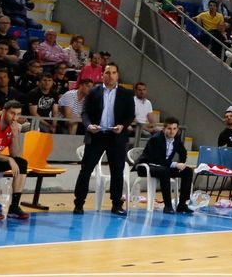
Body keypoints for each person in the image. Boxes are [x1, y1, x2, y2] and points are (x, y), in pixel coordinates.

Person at [72, 63, 136, 215]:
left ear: (117, 75)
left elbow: (130, 115)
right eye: (107, 73)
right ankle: (79, 203)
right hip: (97, 135)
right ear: (102, 75)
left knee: (117, 172)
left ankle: (116, 204)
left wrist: (123, 125)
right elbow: (85, 113)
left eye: (114, 72)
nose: (111, 76)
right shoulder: (93, 92)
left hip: (116, 136)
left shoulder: (126, 93)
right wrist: (89, 127)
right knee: (85, 170)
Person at [135, 118, 195, 214]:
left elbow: (183, 152)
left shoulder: (177, 138)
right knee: (164, 171)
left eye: (174, 128)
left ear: (177, 129)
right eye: (169, 128)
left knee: (187, 171)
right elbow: (155, 159)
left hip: (163, 166)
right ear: (164, 129)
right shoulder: (156, 139)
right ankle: (168, 206)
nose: (172, 131)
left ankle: (182, 204)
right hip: (147, 165)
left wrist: (182, 164)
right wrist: (175, 164)